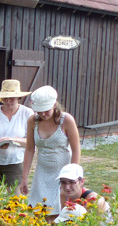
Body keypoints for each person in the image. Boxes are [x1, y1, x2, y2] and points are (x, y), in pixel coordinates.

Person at [20, 85, 81, 218]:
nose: (42, 114)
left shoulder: (66, 120)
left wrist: (71, 176)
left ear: (54, 104)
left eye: (46, 111)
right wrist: (24, 178)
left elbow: (76, 150)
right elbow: (30, 149)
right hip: (42, 172)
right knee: (39, 211)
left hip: (61, 172)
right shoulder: (32, 121)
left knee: (60, 211)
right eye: (39, 111)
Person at [0, 79, 33, 192]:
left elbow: (32, 141)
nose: (8, 101)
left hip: (15, 161)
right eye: (5, 98)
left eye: (12, 98)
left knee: (15, 198)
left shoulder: (27, 113)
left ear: (18, 98)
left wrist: (13, 139)